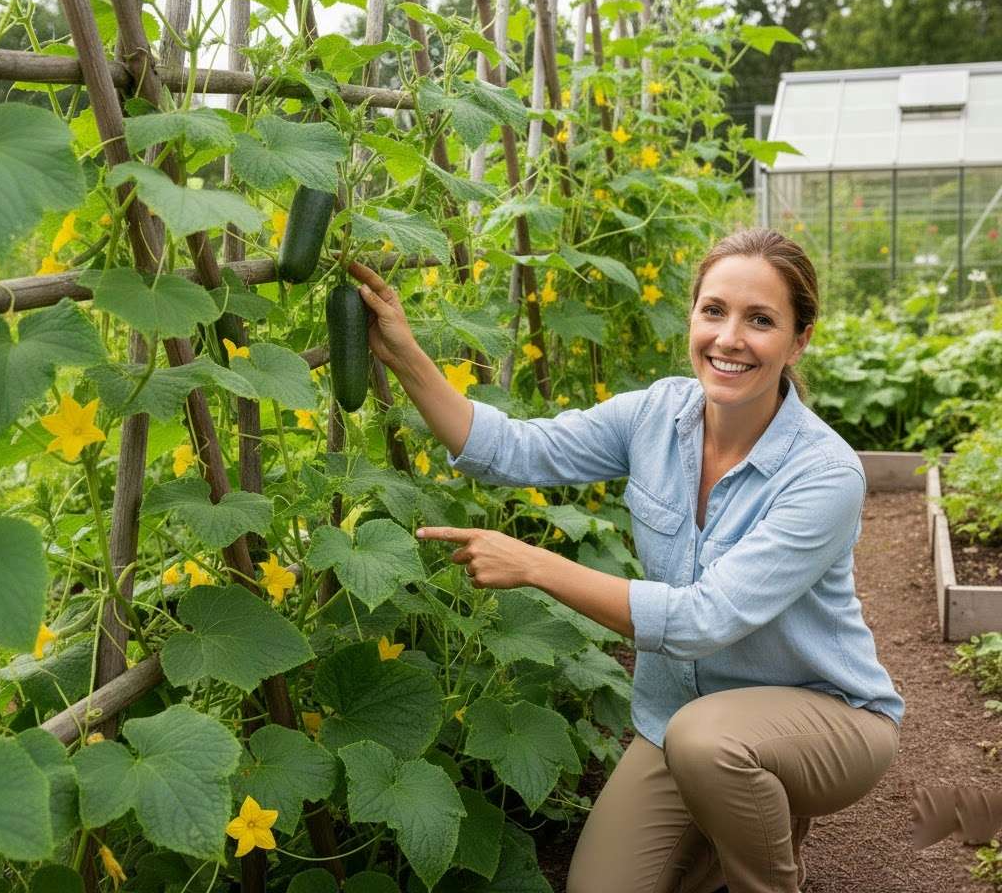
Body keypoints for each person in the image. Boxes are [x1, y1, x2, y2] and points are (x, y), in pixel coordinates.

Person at [347, 227, 904, 893]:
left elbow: (703, 621)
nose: (729, 338)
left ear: (799, 339)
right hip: (682, 722)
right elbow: (514, 450)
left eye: (760, 320)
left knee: (711, 744)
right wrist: (405, 353)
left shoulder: (824, 474)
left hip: (826, 720)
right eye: (714, 311)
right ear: (693, 316)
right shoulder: (655, 417)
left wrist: (534, 565)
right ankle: (732, 826)